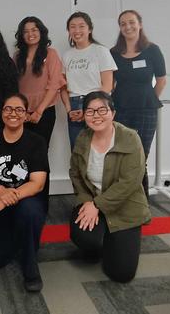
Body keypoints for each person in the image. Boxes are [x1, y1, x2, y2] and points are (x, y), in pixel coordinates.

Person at [69, 91, 151, 283]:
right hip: (92, 201)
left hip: (125, 205)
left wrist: (97, 205)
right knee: (85, 239)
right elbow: (75, 173)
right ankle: (101, 239)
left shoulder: (129, 137)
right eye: (89, 111)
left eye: (102, 110)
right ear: (84, 115)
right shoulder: (82, 137)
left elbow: (130, 181)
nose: (96, 115)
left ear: (113, 113)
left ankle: (115, 240)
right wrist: (87, 202)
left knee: (121, 274)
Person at [0, 93, 49, 292]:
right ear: (2, 113)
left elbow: (37, 183)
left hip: (26, 201)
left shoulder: (36, 142)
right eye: (8, 109)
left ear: (26, 115)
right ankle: (15, 235)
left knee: (30, 212)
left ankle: (30, 265)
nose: (13, 114)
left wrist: (4, 200)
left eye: (19, 110)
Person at [111, 10, 167, 195]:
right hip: (120, 109)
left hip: (146, 110)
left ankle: (140, 200)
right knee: (121, 154)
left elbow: (161, 80)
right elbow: (111, 83)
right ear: (120, 27)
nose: (128, 26)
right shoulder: (113, 53)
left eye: (131, 22)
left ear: (140, 24)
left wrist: (148, 98)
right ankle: (121, 197)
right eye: (123, 23)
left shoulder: (152, 50)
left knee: (141, 156)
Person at [60, 12, 117, 149]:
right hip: (74, 105)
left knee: (100, 149)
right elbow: (62, 87)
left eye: (81, 26)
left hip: (97, 105)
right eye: (72, 27)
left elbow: (108, 85)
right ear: (69, 30)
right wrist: (69, 110)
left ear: (90, 29)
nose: (77, 30)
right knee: (78, 150)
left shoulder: (101, 51)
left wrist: (87, 108)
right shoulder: (67, 55)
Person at [14, 16, 66, 146]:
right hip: (21, 111)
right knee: (22, 150)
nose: (30, 34)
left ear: (41, 32)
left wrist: (38, 111)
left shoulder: (51, 54)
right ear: (21, 35)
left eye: (34, 30)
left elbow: (54, 85)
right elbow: (13, 85)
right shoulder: (17, 56)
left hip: (45, 110)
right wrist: (22, 111)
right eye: (26, 31)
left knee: (41, 149)